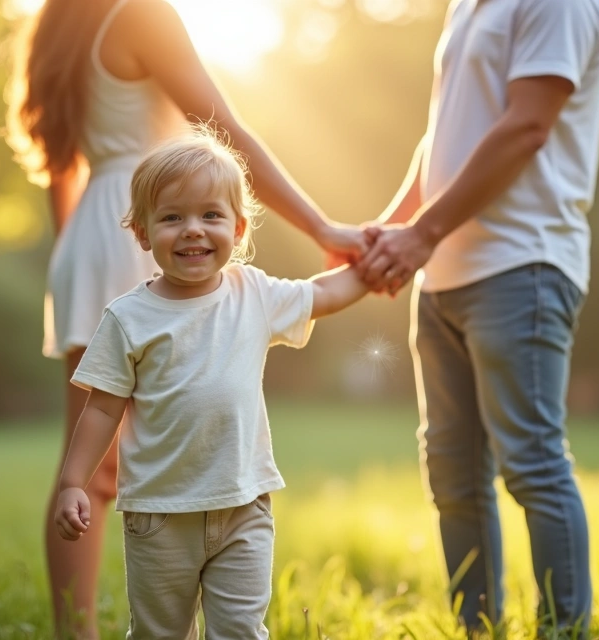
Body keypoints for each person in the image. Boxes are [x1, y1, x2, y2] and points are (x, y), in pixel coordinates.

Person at [3, 0, 367, 635]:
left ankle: (75, 631)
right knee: (97, 458)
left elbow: (60, 170)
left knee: (88, 458)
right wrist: (321, 226)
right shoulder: (141, 14)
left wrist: (73, 258)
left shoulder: (59, 27)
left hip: (98, 232)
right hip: (141, 226)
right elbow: (224, 130)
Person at [355, 0, 599, 634]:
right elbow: (443, 135)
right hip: (444, 273)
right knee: (453, 473)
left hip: (521, 263)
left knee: (533, 465)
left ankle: (562, 631)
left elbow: (528, 126)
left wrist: (422, 234)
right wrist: (397, 230)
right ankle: (478, 630)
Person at [52, 131, 369, 638]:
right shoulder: (128, 317)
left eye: (211, 215)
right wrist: (73, 483)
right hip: (160, 516)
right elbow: (102, 410)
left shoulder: (254, 293)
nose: (192, 230)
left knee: (242, 630)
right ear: (142, 233)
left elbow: (323, 294)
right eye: (172, 217)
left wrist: (376, 269)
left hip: (244, 506)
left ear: (238, 228)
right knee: (161, 633)